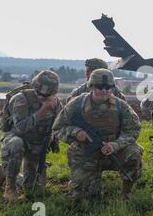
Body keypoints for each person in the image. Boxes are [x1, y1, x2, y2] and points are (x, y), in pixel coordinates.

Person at [53, 69, 143, 200]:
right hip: (86, 152)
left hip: (113, 151)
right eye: (100, 87)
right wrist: (76, 132)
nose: (104, 90)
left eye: (108, 87)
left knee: (134, 153)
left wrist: (115, 145)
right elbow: (58, 127)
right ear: (91, 86)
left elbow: (133, 129)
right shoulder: (76, 105)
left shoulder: (120, 105)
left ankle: (126, 192)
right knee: (85, 198)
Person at [0, 70, 62, 201]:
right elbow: (22, 127)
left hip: (35, 144)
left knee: (35, 191)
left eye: (48, 95)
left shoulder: (55, 102)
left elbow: (58, 124)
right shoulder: (20, 99)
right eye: (40, 94)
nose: (43, 97)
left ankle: (4, 171)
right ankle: (10, 188)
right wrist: (43, 110)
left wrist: (54, 140)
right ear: (34, 88)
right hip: (15, 137)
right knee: (16, 144)